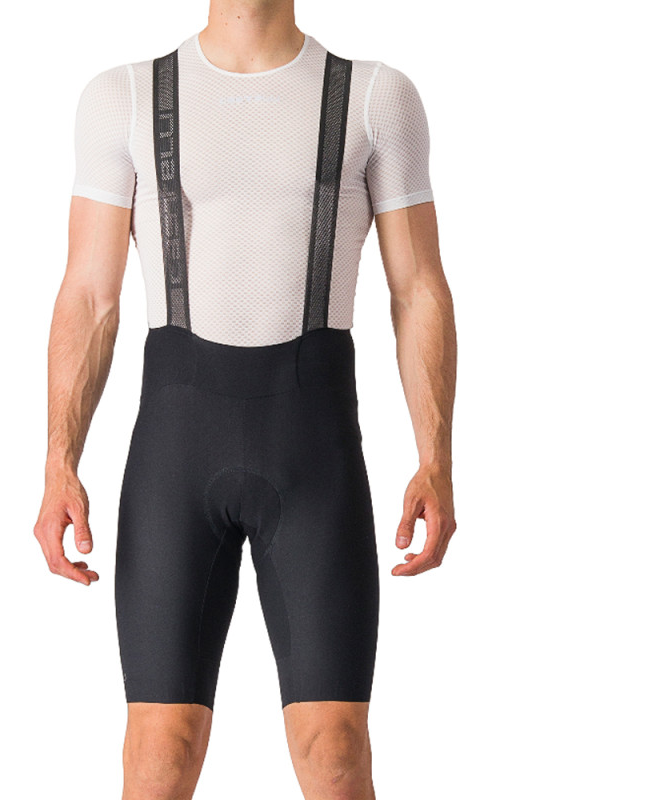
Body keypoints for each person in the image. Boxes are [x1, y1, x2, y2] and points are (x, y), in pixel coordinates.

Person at [34, 1, 457, 797]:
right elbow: (88, 294)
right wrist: (60, 462)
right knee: (159, 754)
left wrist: (435, 458)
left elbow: (419, 289)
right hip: (175, 453)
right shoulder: (125, 95)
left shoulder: (375, 96)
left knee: (335, 751)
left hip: (314, 451)